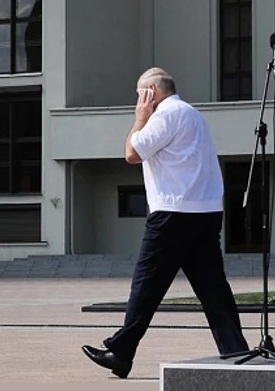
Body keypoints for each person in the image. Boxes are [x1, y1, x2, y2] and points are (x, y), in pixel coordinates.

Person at [81, 68, 250, 379]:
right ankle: (236, 349)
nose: (137, 101)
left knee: (146, 284)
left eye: (139, 94)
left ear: (151, 93)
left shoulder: (165, 114)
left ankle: (120, 353)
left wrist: (139, 117)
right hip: (206, 212)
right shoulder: (195, 115)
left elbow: (132, 152)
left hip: (173, 214)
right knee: (213, 288)